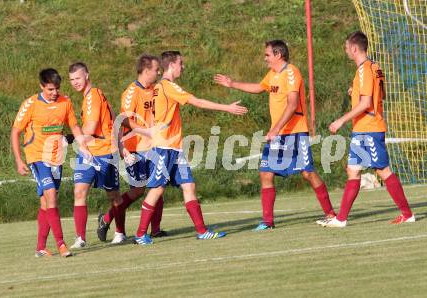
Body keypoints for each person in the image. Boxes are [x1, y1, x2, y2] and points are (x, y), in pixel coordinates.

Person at [214, 40, 336, 230]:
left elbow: (293, 104)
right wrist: (232, 84)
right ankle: (267, 222)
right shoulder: (273, 74)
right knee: (265, 172)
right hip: (278, 134)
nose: (265, 58)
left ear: (278, 55)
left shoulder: (291, 73)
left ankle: (330, 214)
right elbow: (259, 87)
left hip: (295, 132)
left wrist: (276, 128)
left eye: (267, 55)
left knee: (307, 173)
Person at [133, 50, 248, 245]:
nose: (183, 67)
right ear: (172, 66)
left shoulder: (159, 88)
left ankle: (202, 231)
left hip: (174, 148)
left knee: (189, 185)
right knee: (157, 189)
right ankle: (140, 234)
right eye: (181, 63)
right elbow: (197, 101)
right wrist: (227, 108)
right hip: (164, 148)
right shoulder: (167, 86)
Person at [322, 31, 415, 227]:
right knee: (353, 171)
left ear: (354, 48)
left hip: (369, 128)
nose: (346, 51)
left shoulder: (364, 69)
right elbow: (381, 94)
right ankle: (341, 219)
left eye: (347, 48)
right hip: (363, 128)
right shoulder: (375, 67)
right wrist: (355, 91)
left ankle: (407, 214)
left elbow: (366, 103)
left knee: (383, 170)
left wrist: (340, 121)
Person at [11, 68, 89, 257]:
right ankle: (61, 244)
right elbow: (15, 131)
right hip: (37, 157)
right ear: (41, 86)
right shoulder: (30, 104)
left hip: (56, 158)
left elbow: (74, 126)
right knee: (51, 195)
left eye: (57, 89)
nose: (55, 93)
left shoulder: (65, 102)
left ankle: (40, 247)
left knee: (46, 203)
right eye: (50, 90)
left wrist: (84, 147)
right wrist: (19, 160)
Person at [96, 54, 168, 242]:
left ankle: (156, 229)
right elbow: (124, 119)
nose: (158, 72)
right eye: (155, 69)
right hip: (135, 147)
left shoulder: (155, 89)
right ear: (145, 71)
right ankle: (106, 218)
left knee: (157, 186)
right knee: (137, 191)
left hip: (154, 145)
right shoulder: (131, 92)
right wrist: (128, 145)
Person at [68, 62, 125, 247]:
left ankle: (119, 232)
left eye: (78, 77)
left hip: (103, 151)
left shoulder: (93, 95)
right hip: (88, 152)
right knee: (79, 191)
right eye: (71, 79)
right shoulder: (91, 96)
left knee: (114, 196)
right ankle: (80, 238)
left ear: (87, 75)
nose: (75, 82)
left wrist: (71, 136)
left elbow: (90, 128)